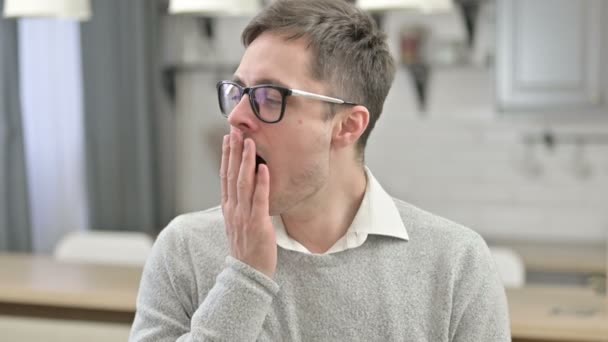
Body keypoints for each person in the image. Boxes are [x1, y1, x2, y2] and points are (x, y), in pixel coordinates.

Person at [129, 0, 510, 341]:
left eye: (268, 96)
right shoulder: (184, 249)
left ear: (347, 126)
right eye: (238, 92)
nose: (238, 117)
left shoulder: (458, 263)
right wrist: (246, 277)